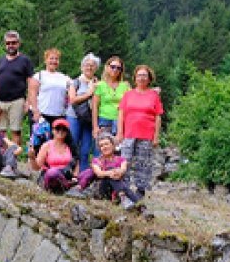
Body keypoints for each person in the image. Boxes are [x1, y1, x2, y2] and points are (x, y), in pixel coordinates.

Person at [115, 64, 164, 203]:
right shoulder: (128, 94)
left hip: (147, 134)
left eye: (145, 75)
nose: (142, 78)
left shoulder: (154, 95)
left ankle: (140, 191)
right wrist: (120, 132)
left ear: (149, 79)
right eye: (139, 75)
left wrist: (156, 136)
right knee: (125, 161)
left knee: (143, 163)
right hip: (129, 133)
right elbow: (121, 113)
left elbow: (158, 116)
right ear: (135, 78)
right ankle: (123, 191)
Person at [67, 134, 140, 208]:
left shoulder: (121, 159)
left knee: (119, 181)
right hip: (103, 189)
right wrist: (111, 172)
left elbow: (123, 170)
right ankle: (125, 199)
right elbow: (99, 173)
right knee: (110, 171)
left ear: (113, 145)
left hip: (116, 188)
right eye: (101, 146)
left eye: (106, 144)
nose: (104, 147)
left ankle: (138, 206)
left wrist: (119, 172)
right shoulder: (96, 161)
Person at [31, 48, 72, 168]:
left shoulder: (65, 78)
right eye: (51, 58)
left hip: (59, 114)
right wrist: (35, 110)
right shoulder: (39, 75)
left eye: (56, 59)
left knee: (57, 142)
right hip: (43, 113)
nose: (54, 61)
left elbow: (71, 93)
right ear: (46, 60)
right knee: (39, 142)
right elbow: (32, 94)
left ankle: (53, 166)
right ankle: (37, 167)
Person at [0, 30, 37, 145]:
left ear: (18, 43)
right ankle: (2, 156)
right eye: (8, 43)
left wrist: (28, 101)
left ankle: (13, 157)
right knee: (0, 131)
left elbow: (31, 82)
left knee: (16, 131)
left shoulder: (25, 60)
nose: (11, 45)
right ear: (5, 44)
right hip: (0, 101)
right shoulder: (1, 60)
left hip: (17, 100)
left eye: (13, 43)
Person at [68, 53, 100, 174]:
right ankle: (69, 173)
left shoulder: (98, 83)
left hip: (89, 120)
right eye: (87, 65)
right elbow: (72, 100)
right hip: (74, 117)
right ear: (82, 67)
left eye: (92, 66)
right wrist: (88, 94)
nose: (89, 68)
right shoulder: (75, 82)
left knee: (86, 149)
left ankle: (83, 176)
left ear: (96, 68)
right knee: (73, 145)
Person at [34, 119, 76, 193]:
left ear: (67, 132)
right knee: (52, 172)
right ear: (52, 130)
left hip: (65, 175)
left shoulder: (70, 147)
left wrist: (75, 176)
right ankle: (66, 185)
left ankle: (66, 185)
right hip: (50, 175)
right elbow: (37, 166)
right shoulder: (46, 145)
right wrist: (32, 158)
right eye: (57, 128)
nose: (61, 131)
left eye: (64, 129)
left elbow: (76, 162)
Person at [92, 55, 128, 139]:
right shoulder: (100, 85)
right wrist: (95, 127)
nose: (115, 70)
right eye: (112, 67)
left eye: (118, 68)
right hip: (104, 120)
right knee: (103, 146)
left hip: (120, 121)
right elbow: (95, 107)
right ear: (107, 67)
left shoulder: (125, 86)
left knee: (118, 149)